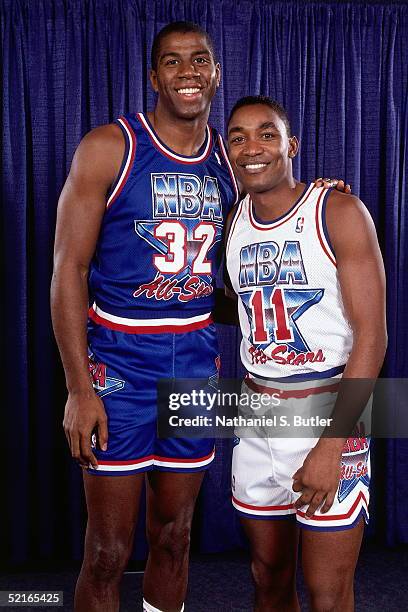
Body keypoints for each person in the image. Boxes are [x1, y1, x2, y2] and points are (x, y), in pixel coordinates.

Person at [51, 21, 240, 612]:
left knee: (175, 538)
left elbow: (283, 215)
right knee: (107, 551)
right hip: (119, 362)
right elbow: (68, 271)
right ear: (153, 75)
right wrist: (79, 389)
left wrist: (324, 195)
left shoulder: (231, 160)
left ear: (215, 72)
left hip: (195, 368)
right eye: (173, 61)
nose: (188, 72)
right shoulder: (111, 146)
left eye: (200, 60)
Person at [225, 96, 387, 612]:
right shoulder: (234, 219)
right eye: (238, 137)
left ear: (291, 146)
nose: (252, 148)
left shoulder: (337, 210)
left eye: (267, 134)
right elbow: (246, 307)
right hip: (257, 415)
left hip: (327, 413)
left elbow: (373, 337)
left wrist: (331, 445)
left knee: (327, 593)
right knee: (266, 577)